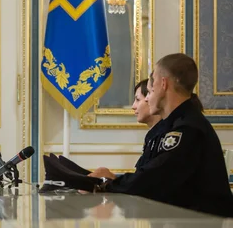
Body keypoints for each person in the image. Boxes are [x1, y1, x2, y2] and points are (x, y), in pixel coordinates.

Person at [90, 53, 233, 217]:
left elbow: (154, 179)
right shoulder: (173, 124)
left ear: (163, 84)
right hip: (185, 223)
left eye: (151, 88)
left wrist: (110, 183)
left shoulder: (188, 128)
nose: (150, 94)